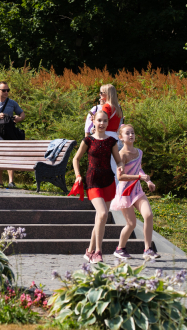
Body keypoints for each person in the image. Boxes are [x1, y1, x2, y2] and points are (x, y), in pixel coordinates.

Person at [72, 110, 124, 264]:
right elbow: (76, 159)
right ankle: (98, 252)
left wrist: (121, 167)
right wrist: (78, 175)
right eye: (99, 120)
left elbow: (119, 160)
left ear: (108, 123)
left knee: (101, 218)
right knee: (102, 214)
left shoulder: (111, 141)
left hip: (108, 181)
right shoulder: (88, 140)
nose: (102, 123)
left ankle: (89, 251)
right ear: (93, 121)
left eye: (105, 121)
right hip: (92, 180)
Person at [111, 124, 159, 261]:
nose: (131, 135)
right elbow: (120, 177)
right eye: (127, 133)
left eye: (132, 132)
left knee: (148, 215)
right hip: (125, 192)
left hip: (137, 190)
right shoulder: (121, 155)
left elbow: (139, 169)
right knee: (131, 224)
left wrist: (148, 181)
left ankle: (148, 249)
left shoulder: (139, 152)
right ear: (121, 137)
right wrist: (139, 177)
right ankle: (120, 248)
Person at [0, 81, 26, 188]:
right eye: (4, 90)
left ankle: (11, 182)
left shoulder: (12, 103)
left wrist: (19, 118)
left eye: (8, 90)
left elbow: (22, 113)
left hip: (9, 133)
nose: (6, 92)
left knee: (9, 156)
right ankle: (0, 182)